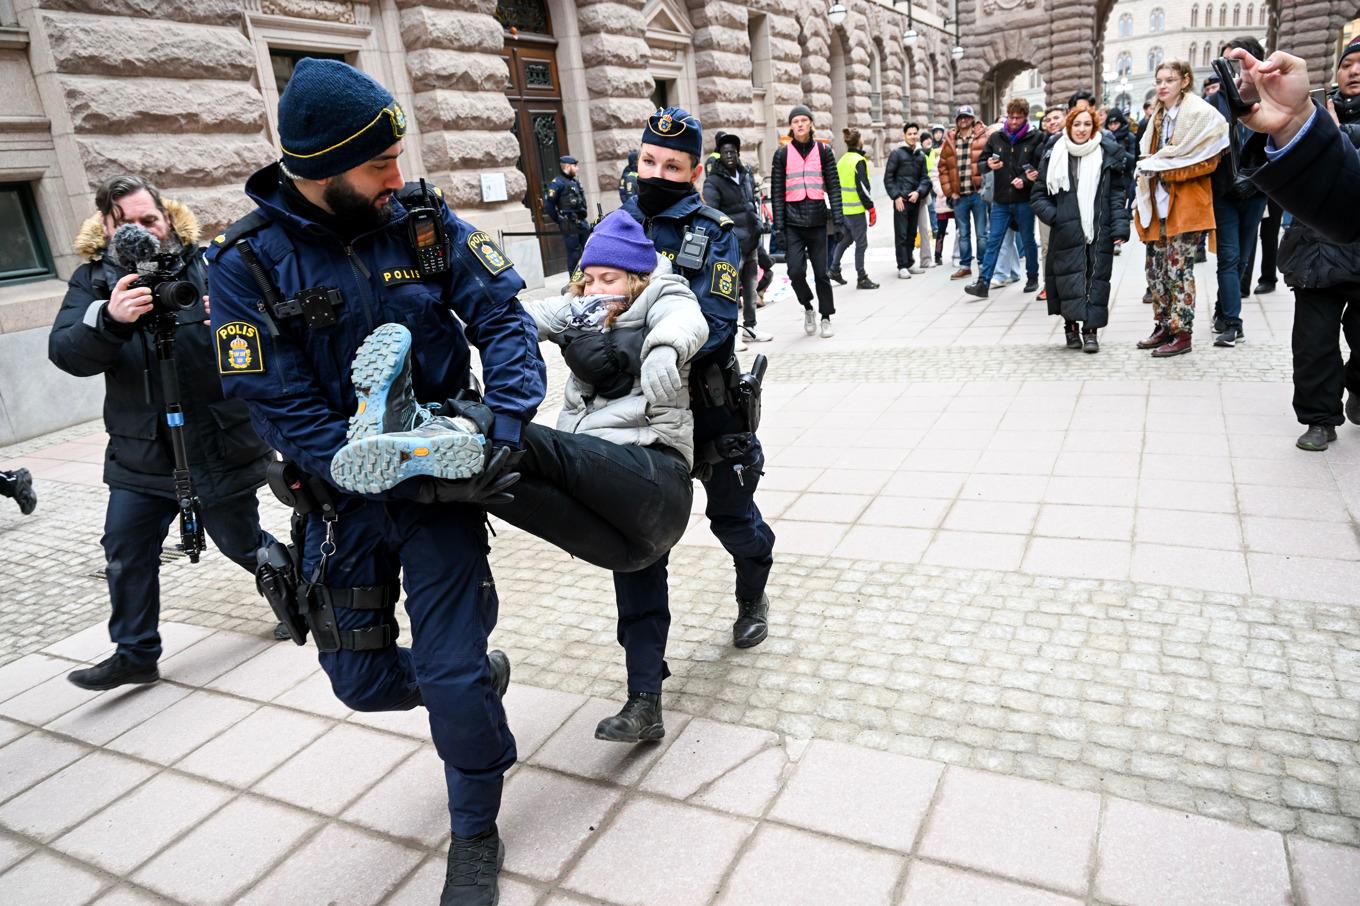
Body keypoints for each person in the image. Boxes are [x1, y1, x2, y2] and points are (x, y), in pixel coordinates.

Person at [205, 59, 547, 905]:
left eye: (398, 158)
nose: (398, 177)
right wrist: (367, 463)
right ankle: (463, 680)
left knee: (452, 673)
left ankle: (474, 829)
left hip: (445, 494)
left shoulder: (425, 225)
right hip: (342, 505)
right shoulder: (245, 267)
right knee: (359, 682)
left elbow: (503, 319)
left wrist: (501, 424)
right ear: (320, 173)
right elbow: (274, 405)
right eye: (378, 166)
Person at [48, 175, 275, 693]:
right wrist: (108, 321)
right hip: (142, 451)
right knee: (125, 546)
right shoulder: (92, 283)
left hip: (215, 443)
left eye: (149, 220)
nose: (141, 234)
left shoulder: (210, 265)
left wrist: (243, 321)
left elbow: (273, 334)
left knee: (242, 542)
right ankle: (135, 654)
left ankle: (303, 599)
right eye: (125, 224)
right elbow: (65, 353)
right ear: (106, 228)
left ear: (168, 218)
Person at [618, 106, 778, 738]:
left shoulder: (713, 231)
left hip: (708, 408)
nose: (656, 173)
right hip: (637, 416)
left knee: (733, 519)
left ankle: (751, 591)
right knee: (637, 546)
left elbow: (714, 325)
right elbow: (588, 300)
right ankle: (644, 696)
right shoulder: (616, 224)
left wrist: (641, 343)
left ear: (694, 171)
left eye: (672, 166)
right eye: (648, 161)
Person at [1267, 38, 1360, 451]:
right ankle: (1320, 418)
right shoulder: (1309, 115)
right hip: (1314, 253)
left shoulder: (1325, 124)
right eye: (1348, 65)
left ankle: (1356, 388)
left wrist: (1336, 135)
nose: (1354, 72)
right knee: (1312, 344)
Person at [1133, 60, 1227, 358]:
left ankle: (1182, 332)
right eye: (1159, 79)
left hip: (1186, 205)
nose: (1162, 85)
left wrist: (1166, 170)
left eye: (1170, 80)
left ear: (1185, 81)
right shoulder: (1157, 118)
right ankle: (1162, 326)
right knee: (1155, 270)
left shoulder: (1201, 114)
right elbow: (1154, 157)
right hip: (1156, 204)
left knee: (1179, 270)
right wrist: (1155, 167)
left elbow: (1209, 159)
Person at [1232, 47, 1360, 244]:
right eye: (1346, 65)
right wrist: (1293, 122)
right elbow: (1349, 206)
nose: (1354, 71)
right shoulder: (1322, 109)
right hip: (1307, 264)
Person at [1030, 106, 1131, 354]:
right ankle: (1071, 328)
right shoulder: (1054, 153)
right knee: (1068, 279)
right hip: (1066, 229)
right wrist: (1057, 217)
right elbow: (1038, 195)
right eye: (1077, 124)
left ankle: (1091, 332)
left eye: (1087, 124)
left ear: (1094, 127)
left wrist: (1120, 226)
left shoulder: (1107, 154)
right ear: (1069, 126)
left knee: (1095, 279)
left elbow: (1118, 194)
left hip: (1098, 228)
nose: (1081, 129)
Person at [1206, 37, 1270, 348]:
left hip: (1257, 189)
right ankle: (1233, 323)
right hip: (1224, 190)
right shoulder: (1214, 101)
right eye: (1225, 63)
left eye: (1236, 62)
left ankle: (1222, 309)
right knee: (1228, 258)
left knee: (1243, 258)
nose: (1230, 71)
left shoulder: (1272, 97)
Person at [771, 105, 843, 337]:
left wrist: (839, 221)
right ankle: (808, 307)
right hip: (793, 223)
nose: (800, 124)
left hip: (818, 220)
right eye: (795, 121)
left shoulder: (824, 151)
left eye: (804, 120)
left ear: (811, 123)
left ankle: (825, 316)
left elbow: (833, 186)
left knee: (822, 273)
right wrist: (779, 228)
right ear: (791, 126)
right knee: (795, 272)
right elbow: (777, 194)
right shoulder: (782, 154)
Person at [965, 98, 1044, 299]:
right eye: (1011, 117)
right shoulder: (997, 137)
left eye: (1018, 117)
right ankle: (983, 283)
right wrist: (988, 165)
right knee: (994, 241)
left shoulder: (1036, 138)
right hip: (1001, 200)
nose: (1014, 121)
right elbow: (980, 162)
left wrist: (1025, 180)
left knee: (1027, 240)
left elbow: (1040, 169)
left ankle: (1032, 277)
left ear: (1025, 117)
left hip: (1024, 200)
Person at [704, 132, 774, 342]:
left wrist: (758, 225)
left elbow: (750, 203)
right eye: (725, 152)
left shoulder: (745, 175)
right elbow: (712, 214)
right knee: (730, 291)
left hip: (751, 241)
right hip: (732, 245)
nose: (730, 155)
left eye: (733, 152)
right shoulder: (713, 181)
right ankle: (731, 335)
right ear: (719, 155)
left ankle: (750, 328)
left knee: (751, 289)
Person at [939, 105, 990, 280]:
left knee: (982, 233)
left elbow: (989, 161)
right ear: (957, 120)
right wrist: (949, 191)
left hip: (978, 194)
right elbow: (943, 168)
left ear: (972, 119)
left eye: (967, 117)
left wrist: (985, 186)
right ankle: (965, 266)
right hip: (959, 196)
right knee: (963, 233)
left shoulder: (982, 138)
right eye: (960, 117)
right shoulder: (950, 140)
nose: (963, 120)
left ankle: (984, 265)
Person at [830, 128, 879, 290]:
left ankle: (834, 269)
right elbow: (863, 188)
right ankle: (862, 277)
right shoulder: (858, 160)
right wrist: (871, 208)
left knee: (846, 240)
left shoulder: (842, 160)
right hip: (856, 211)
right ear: (860, 141)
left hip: (844, 210)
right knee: (861, 244)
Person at [885, 122, 931, 279]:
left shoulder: (920, 155)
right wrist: (896, 196)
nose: (913, 136)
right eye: (910, 134)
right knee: (902, 234)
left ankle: (910, 262)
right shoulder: (896, 154)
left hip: (915, 200)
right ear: (904, 135)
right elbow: (888, 178)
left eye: (915, 133)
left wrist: (919, 192)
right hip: (901, 201)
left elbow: (925, 179)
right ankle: (902, 266)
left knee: (912, 233)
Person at [1035, 106, 1068, 301]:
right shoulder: (1042, 145)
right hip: (1047, 201)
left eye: (1056, 118)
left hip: (1069, 200)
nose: (1052, 122)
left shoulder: (1073, 140)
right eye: (1048, 119)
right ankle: (1049, 285)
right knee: (1047, 246)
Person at [544, 155, 590, 274]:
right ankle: (574, 283)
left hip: (582, 222)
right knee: (574, 255)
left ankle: (588, 278)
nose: (577, 169)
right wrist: (559, 220)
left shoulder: (574, 182)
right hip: (569, 223)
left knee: (589, 250)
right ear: (568, 166)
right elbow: (549, 205)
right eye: (575, 166)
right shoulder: (557, 183)